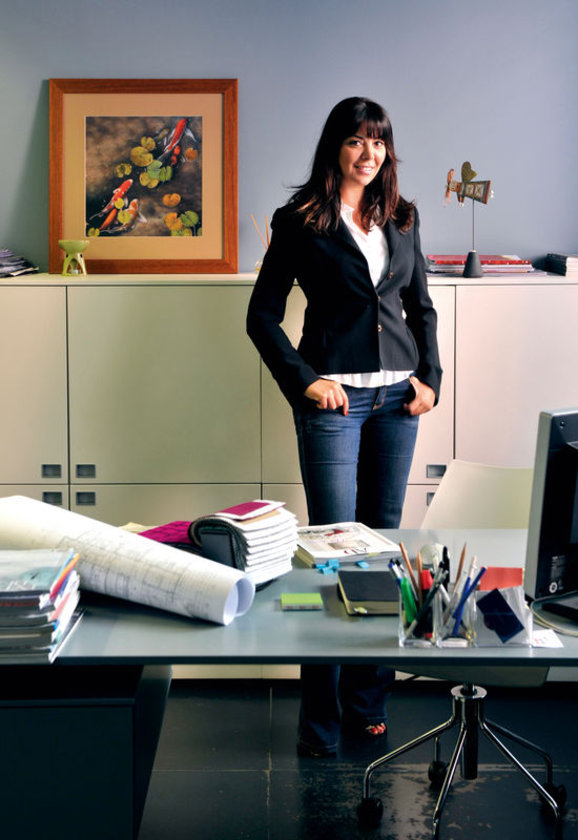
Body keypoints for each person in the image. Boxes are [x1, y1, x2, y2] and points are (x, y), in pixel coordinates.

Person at [246, 97, 442, 757]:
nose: (368, 153)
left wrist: (430, 380)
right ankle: (321, 718)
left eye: (378, 142)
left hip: (397, 402)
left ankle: (368, 704)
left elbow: (421, 307)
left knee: (382, 554)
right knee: (330, 556)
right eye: (357, 141)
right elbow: (261, 316)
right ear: (336, 146)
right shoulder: (301, 220)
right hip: (332, 403)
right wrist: (304, 380)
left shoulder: (403, 216)